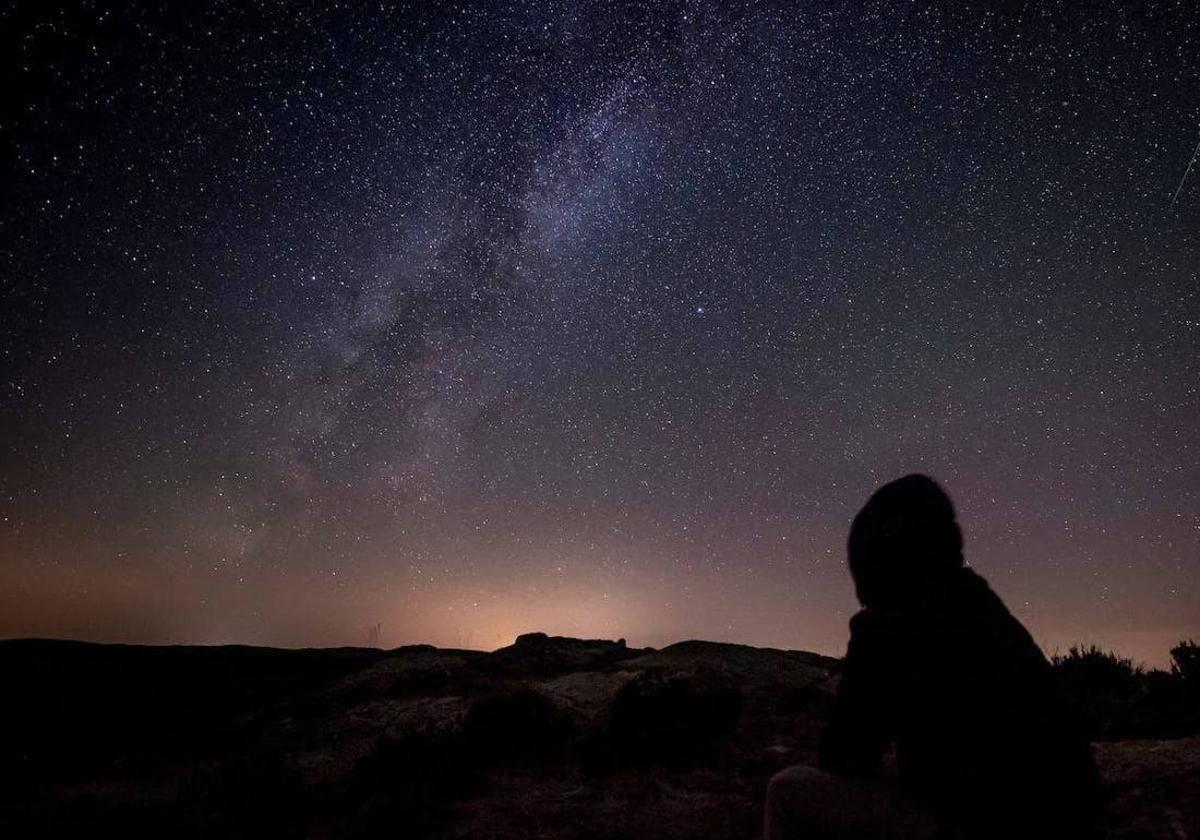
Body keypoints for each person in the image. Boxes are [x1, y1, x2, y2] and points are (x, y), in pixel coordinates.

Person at [765, 474, 1101, 839]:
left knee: (786, 791)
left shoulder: (887, 625)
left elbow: (847, 754)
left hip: (976, 822)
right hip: (1066, 816)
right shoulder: (983, 606)